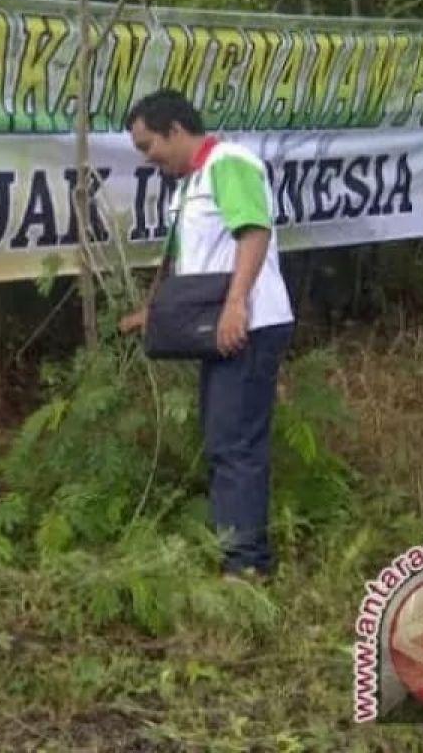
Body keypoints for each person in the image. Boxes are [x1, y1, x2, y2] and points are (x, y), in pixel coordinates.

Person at [118, 89, 295, 580]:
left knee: (235, 446)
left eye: (147, 144)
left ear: (175, 130)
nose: (147, 157)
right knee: (223, 442)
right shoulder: (188, 183)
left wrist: (237, 304)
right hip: (219, 328)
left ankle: (246, 566)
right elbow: (196, 266)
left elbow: (253, 231)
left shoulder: (229, 162)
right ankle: (235, 552)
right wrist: (152, 313)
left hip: (249, 324)